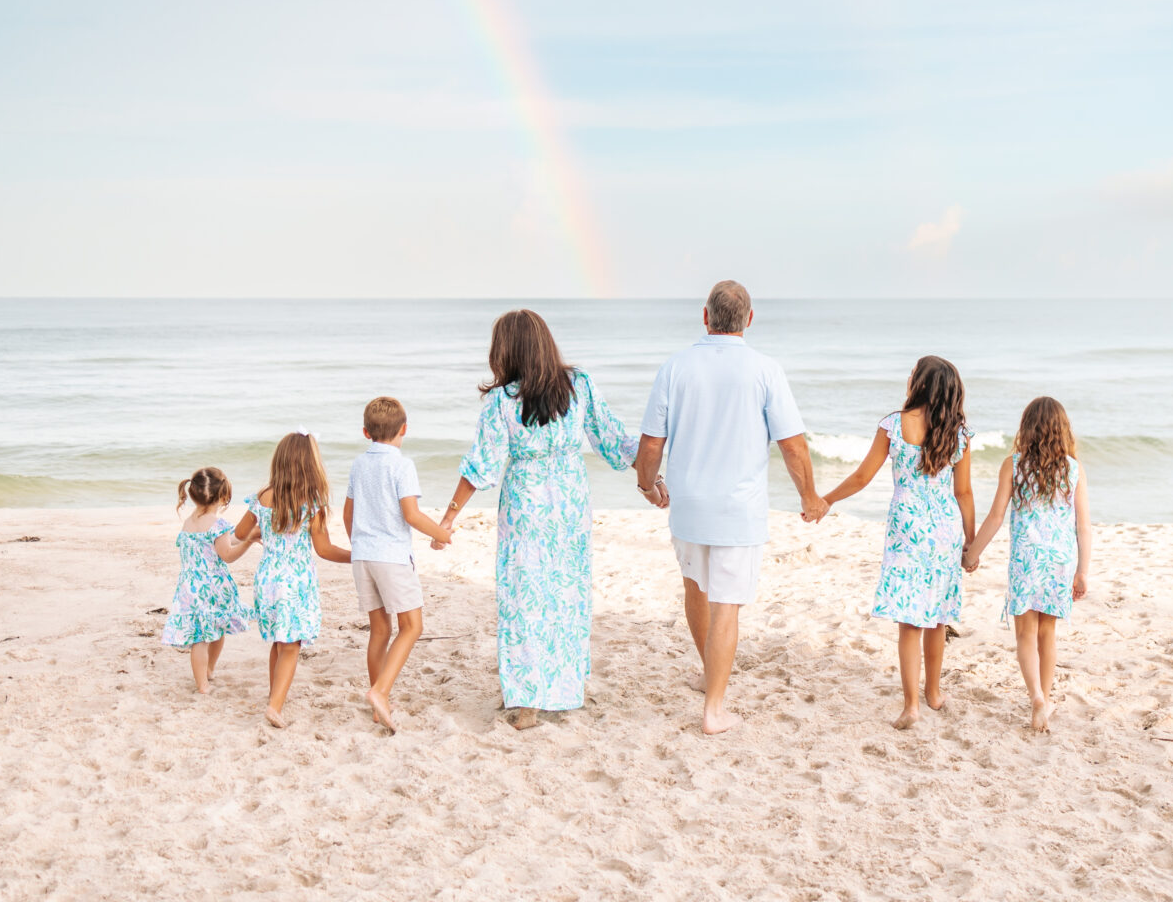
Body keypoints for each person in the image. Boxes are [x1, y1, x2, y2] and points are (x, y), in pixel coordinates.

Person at [635, 280, 826, 735]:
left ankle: (708, 675)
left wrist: (647, 485)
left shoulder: (675, 367)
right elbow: (793, 446)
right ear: (750, 319)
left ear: (705, 316)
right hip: (737, 510)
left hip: (688, 505)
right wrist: (809, 496)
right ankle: (714, 709)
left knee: (696, 590)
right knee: (726, 606)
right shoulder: (765, 370)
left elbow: (650, 442)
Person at [437, 310, 639, 730]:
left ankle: (527, 700)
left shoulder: (501, 401)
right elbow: (615, 440)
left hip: (525, 505)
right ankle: (562, 692)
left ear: (505, 351)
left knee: (522, 597)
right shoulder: (578, 385)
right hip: (569, 503)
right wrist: (653, 474)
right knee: (566, 594)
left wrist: (449, 516)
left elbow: (481, 465)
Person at [818, 357, 976, 729]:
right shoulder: (959, 434)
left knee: (909, 621)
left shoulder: (894, 424)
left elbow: (861, 477)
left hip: (907, 530)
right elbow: (964, 493)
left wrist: (827, 500)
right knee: (937, 618)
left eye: (912, 374)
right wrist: (971, 542)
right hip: (944, 533)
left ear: (919, 383)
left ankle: (911, 706)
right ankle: (934, 694)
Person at [964, 396, 1091, 733]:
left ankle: (1035, 694)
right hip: (1059, 561)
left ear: (1027, 427)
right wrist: (1082, 570)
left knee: (1025, 634)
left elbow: (995, 516)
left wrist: (972, 554)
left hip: (1026, 560)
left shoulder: (1013, 464)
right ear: (1062, 430)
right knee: (1048, 633)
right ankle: (1044, 702)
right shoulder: (1073, 469)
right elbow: (1083, 525)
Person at [344, 396, 453, 733]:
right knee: (412, 626)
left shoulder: (358, 465)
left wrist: (361, 543)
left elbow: (348, 515)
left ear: (365, 432)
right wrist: (442, 534)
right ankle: (380, 691)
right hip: (391, 556)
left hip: (362, 555)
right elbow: (411, 515)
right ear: (404, 429)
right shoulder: (402, 465)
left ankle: (381, 705)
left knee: (379, 630)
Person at [231, 431, 352, 728]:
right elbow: (324, 550)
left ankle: (275, 696)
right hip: (295, 580)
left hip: (268, 578)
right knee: (291, 644)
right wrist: (355, 556)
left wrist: (261, 533)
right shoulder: (312, 504)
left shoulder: (263, 497)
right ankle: (275, 707)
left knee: (278, 641)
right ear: (311, 464)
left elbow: (238, 533)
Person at [160, 466, 256, 694]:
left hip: (189, 587)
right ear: (222, 496)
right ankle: (205, 678)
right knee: (215, 631)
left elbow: (217, 543)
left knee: (199, 636)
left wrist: (240, 538)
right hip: (212, 588)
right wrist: (249, 541)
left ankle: (205, 677)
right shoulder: (218, 525)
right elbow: (227, 555)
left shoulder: (189, 524)